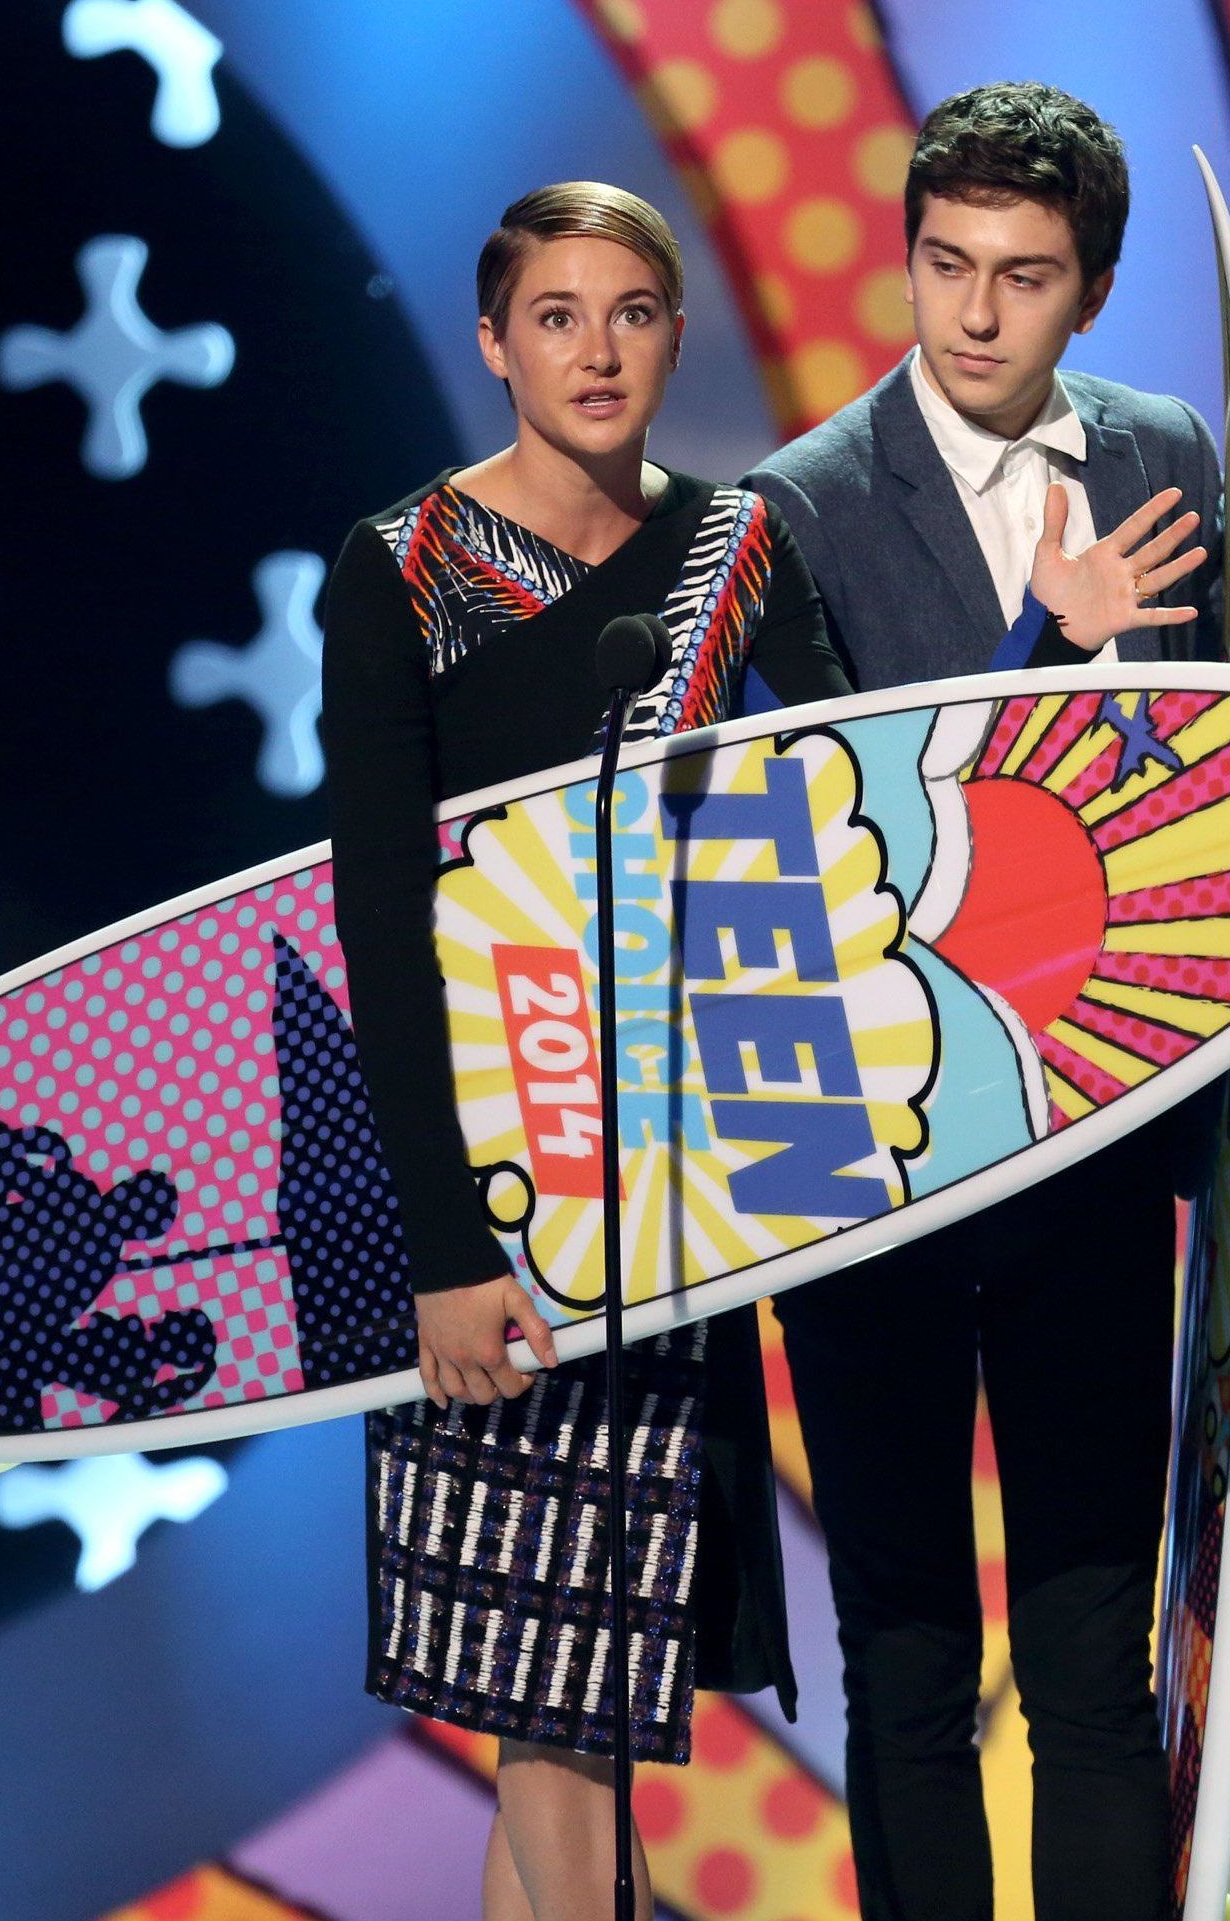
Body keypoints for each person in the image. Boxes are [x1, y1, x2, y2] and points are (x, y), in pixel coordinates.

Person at [742, 82, 1230, 1919]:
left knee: (1098, 1675)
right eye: (946, 267)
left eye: (1023, 276)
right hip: (879, 1176)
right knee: (911, 1667)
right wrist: (1047, 641)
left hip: (1097, 1145)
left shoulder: (1162, 446)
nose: (976, 313)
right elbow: (834, 824)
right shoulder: (804, 501)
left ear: (1087, 291)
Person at [321, 182, 849, 1921]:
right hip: (500, 1200)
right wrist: (447, 1251)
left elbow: (852, 819)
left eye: (631, 311)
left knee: (587, 1711)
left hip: (679, 1202)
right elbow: (382, 918)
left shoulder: (737, 552)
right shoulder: (402, 569)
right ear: (495, 343)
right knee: (548, 1716)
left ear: (677, 336)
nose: (597, 348)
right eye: (558, 314)